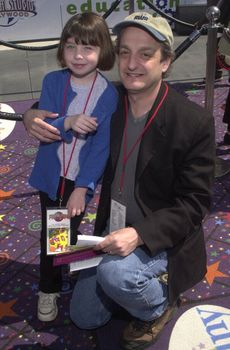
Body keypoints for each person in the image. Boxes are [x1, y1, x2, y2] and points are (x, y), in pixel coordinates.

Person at [23, 11, 215, 350]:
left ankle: (159, 304)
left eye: (146, 54)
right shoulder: (114, 101)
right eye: (125, 51)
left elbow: (195, 204)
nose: (131, 63)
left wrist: (140, 233)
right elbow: (63, 97)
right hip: (111, 228)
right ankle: (124, 284)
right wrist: (30, 114)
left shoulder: (193, 122)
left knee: (116, 276)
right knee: (84, 316)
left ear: (166, 61)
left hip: (159, 236)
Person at [26, 12, 118, 322]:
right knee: (52, 237)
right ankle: (48, 289)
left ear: (103, 50)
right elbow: (46, 124)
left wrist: (83, 188)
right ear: (62, 50)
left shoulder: (108, 93)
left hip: (80, 180)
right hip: (53, 177)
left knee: (69, 232)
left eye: (88, 48)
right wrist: (69, 121)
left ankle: (64, 270)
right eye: (70, 46)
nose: (78, 56)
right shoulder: (53, 80)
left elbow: (101, 148)